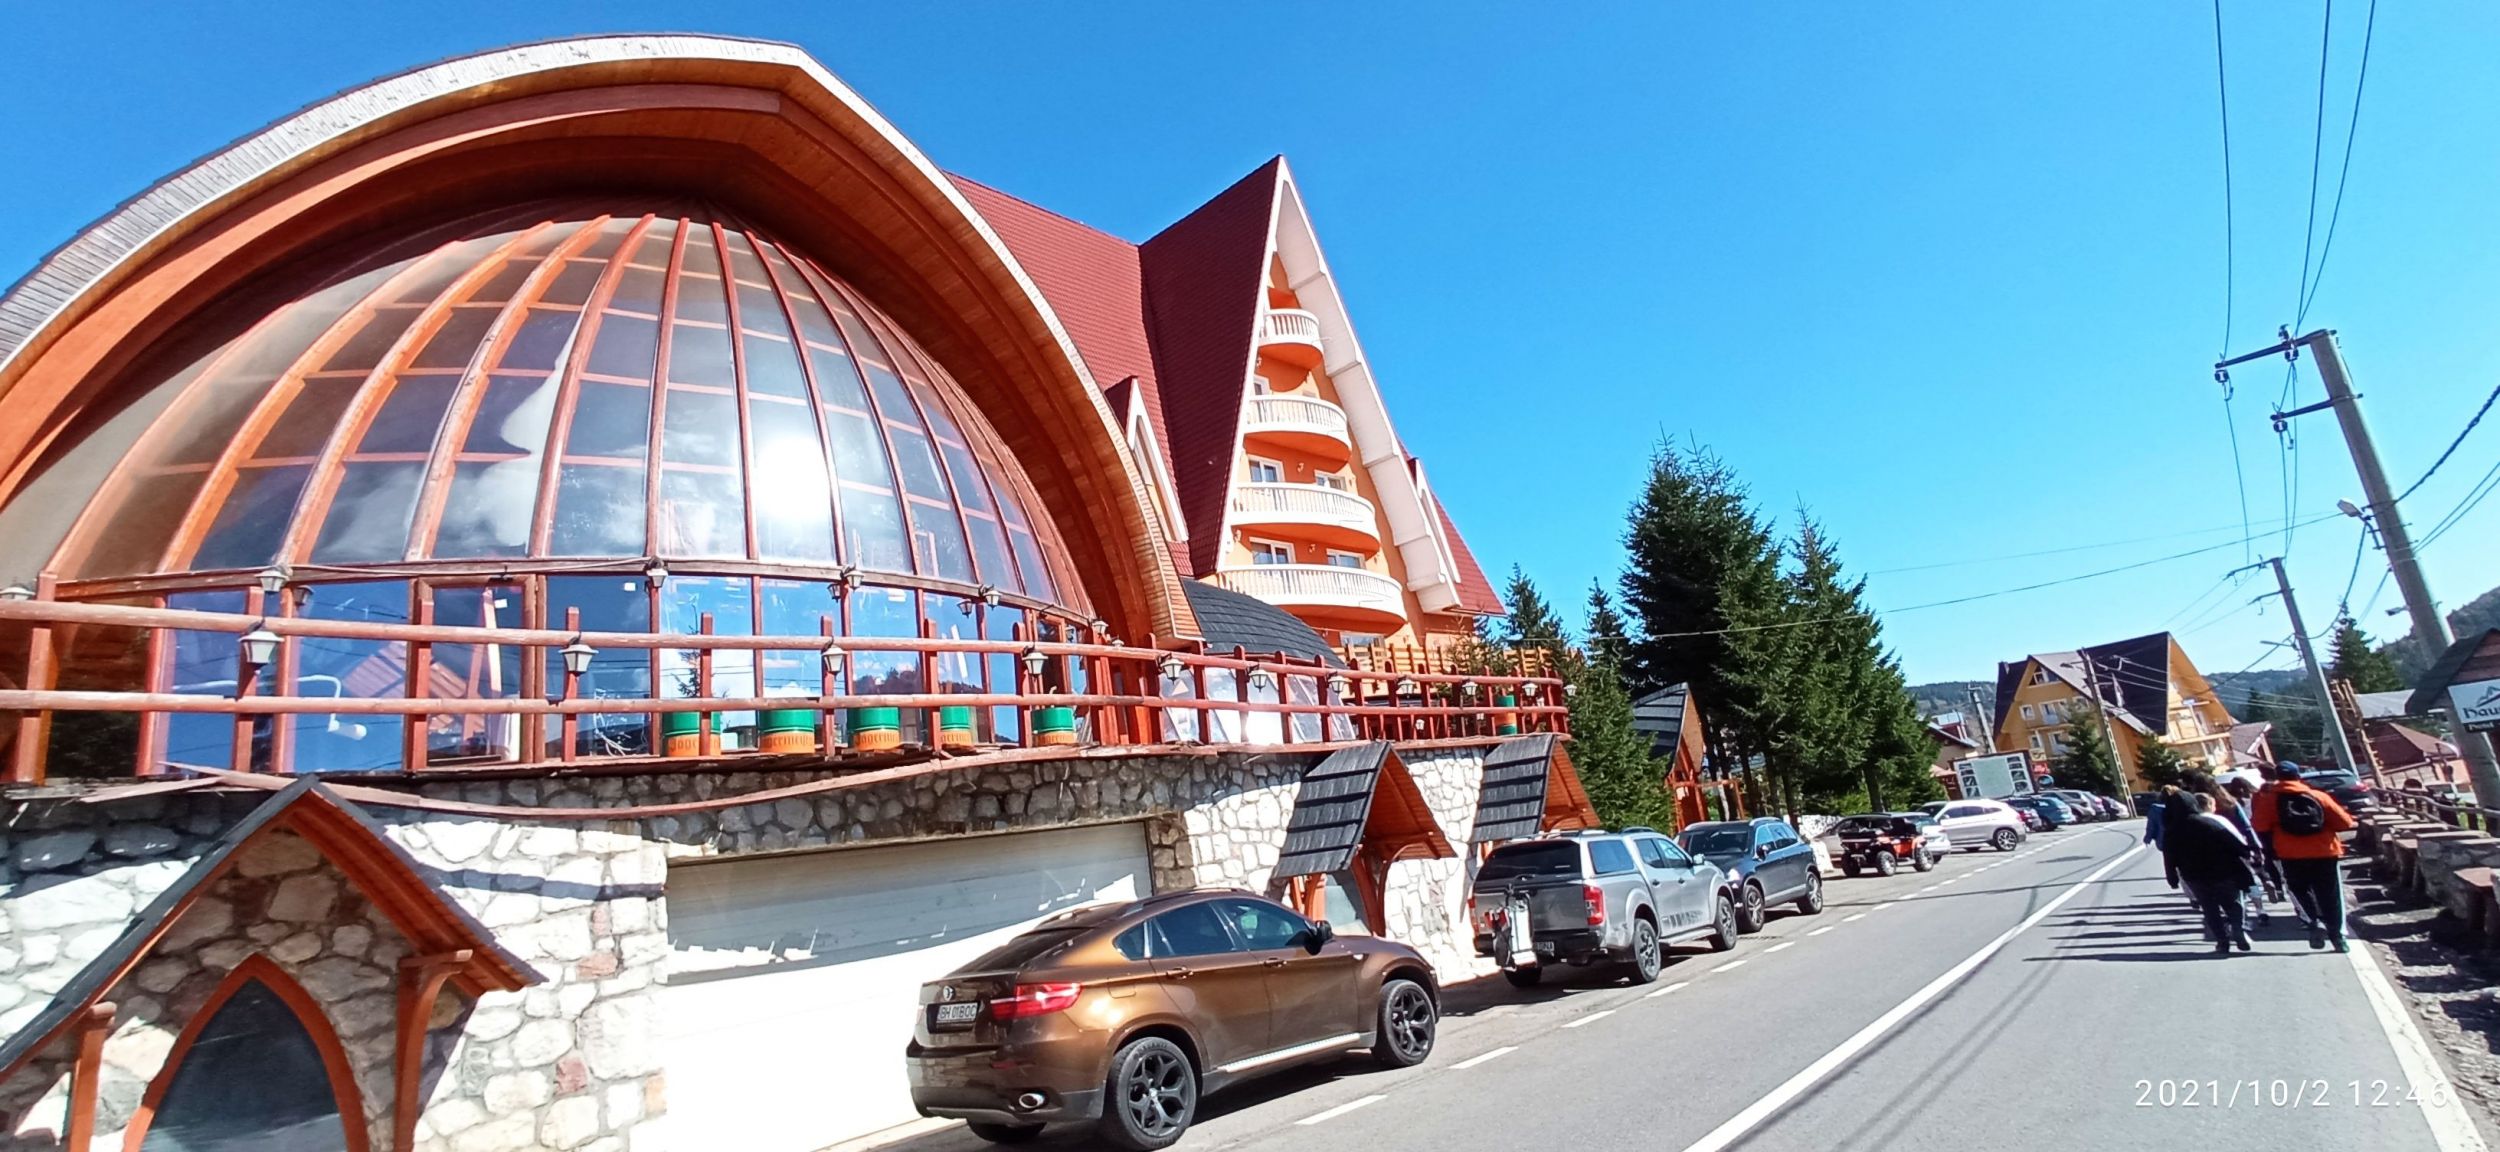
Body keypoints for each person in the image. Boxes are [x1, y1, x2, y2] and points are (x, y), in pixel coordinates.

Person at [2252, 760, 2358, 951]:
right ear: (2298, 775)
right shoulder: (2318, 796)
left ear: (2278, 777)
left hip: (2290, 854)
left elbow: (2260, 826)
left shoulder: (2269, 800)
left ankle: (2312, 921)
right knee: (2331, 895)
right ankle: (2338, 937)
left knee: (2299, 890)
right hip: (2324, 851)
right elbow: (2345, 823)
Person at [2170, 791, 2258, 954]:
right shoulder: (2208, 822)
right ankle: (2238, 928)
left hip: (2194, 876)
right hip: (2223, 871)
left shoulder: (2172, 830)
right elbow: (2231, 841)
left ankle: (2222, 941)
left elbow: (2170, 857)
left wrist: (2172, 878)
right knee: (2233, 904)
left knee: (2209, 909)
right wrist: (2247, 853)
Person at [2223, 776, 2282, 922]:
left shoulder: (2231, 803)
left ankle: (2256, 906)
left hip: (2238, 838)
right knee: (2263, 864)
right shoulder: (2256, 797)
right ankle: (2268, 881)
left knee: (2245, 874)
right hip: (2259, 834)